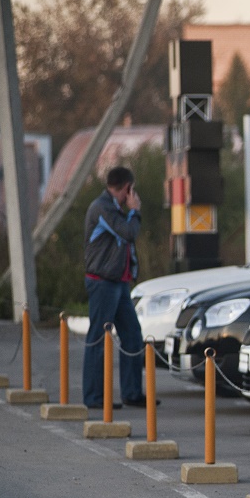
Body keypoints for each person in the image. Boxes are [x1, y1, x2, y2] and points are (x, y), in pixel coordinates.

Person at [83, 166, 152, 409]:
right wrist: (135, 211)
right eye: (130, 191)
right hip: (102, 282)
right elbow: (128, 232)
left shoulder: (115, 208)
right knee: (98, 339)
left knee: (132, 335)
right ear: (126, 188)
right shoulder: (102, 207)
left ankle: (132, 392)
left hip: (119, 283)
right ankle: (94, 397)